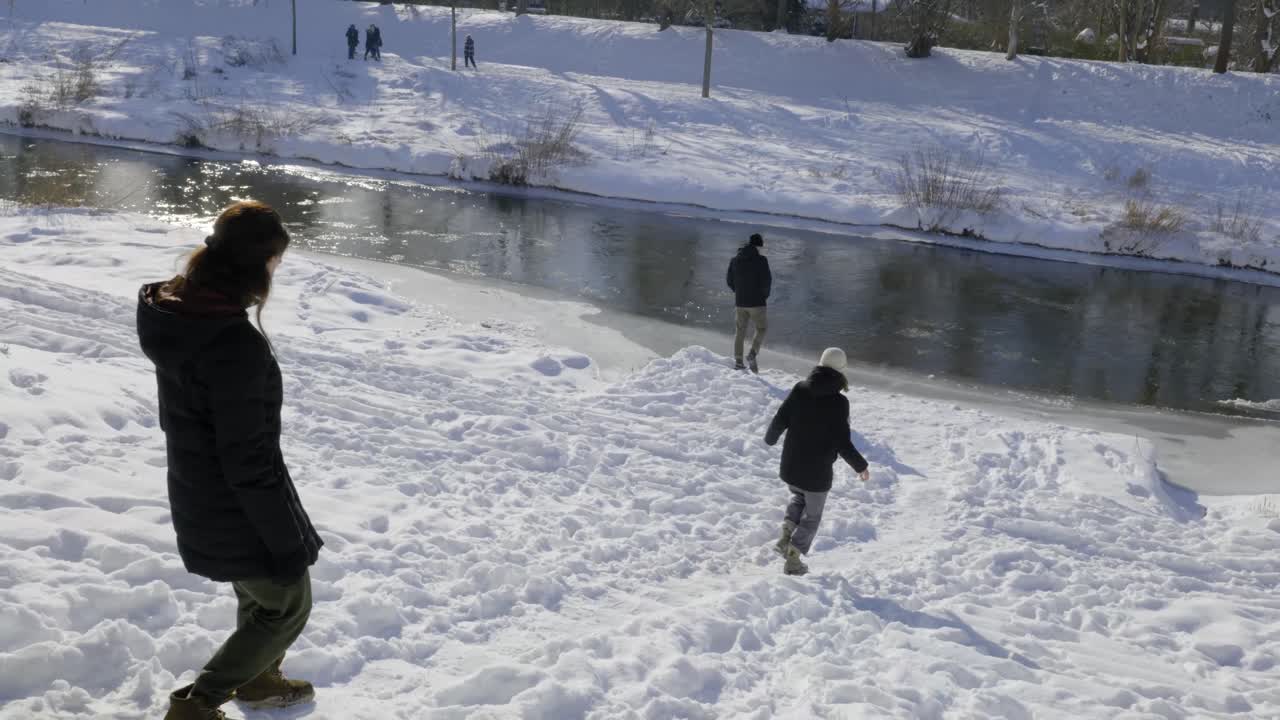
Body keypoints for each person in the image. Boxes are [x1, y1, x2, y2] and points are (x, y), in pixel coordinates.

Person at [137, 200, 323, 720]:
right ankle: (196, 707)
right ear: (257, 266)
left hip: (200, 486)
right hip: (233, 501)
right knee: (286, 601)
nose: (276, 271)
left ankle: (258, 677)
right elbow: (248, 461)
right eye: (274, 262)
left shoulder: (180, 310)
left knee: (258, 595)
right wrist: (286, 540)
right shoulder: (232, 346)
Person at [764, 347, 870, 576]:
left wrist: (770, 438)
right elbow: (842, 442)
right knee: (812, 515)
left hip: (791, 466)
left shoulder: (800, 389)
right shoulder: (839, 403)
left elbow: (781, 418)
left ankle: (785, 535)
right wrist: (860, 466)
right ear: (842, 372)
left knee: (798, 497)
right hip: (817, 473)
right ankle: (793, 558)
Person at [726, 232, 771, 372]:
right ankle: (752, 354)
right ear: (758, 246)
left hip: (740, 302)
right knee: (761, 329)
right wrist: (764, 296)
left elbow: (729, 281)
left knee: (740, 332)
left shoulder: (735, 260)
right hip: (757, 302)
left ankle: (738, 362)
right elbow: (767, 282)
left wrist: (739, 292)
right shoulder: (762, 260)